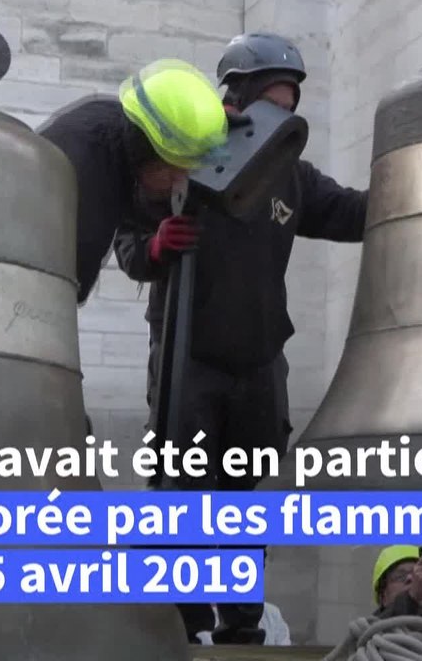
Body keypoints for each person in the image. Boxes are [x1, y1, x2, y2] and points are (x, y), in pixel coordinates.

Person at [111, 32, 368, 645]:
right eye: (271, 101)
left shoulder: (292, 178)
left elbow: (354, 212)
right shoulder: (186, 151)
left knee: (245, 499)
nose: (281, 114)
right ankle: (185, 624)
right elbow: (126, 242)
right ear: (238, 97)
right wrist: (154, 247)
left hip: (257, 362)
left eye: (290, 105)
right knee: (184, 491)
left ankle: (240, 625)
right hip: (188, 359)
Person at [36, 58, 237, 438]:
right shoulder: (79, 168)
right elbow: (53, 294)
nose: (180, 180)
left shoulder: (116, 138)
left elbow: (141, 204)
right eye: (175, 167)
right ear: (145, 147)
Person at [371, 545, 422, 620]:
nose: (411, 578)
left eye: (416, 574)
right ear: (383, 597)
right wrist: (412, 597)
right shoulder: (367, 630)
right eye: (401, 576)